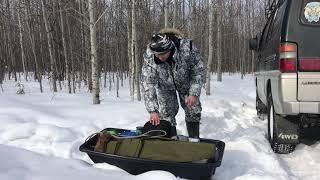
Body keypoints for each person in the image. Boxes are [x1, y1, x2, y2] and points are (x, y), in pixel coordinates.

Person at [141, 28, 204, 138]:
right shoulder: (150, 56)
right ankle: (171, 143)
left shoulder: (187, 48)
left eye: (163, 54)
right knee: (166, 114)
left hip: (186, 84)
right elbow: (148, 83)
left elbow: (198, 71)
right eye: (157, 55)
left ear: (170, 49)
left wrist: (194, 93)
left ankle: (194, 140)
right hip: (165, 87)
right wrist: (153, 111)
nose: (160, 57)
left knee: (193, 110)